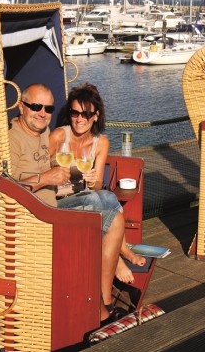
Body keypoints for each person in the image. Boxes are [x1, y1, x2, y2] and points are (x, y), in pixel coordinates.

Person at [8, 82, 126, 324]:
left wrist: (89, 178)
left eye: (48, 109)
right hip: (41, 213)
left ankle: (103, 300)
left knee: (110, 210)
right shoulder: (17, 138)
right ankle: (118, 264)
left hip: (55, 206)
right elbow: (4, 187)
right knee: (106, 201)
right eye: (36, 106)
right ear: (21, 107)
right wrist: (46, 177)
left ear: (95, 116)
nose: (43, 113)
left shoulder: (40, 132)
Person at [49, 82, 146, 284]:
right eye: (75, 113)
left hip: (84, 196)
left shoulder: (100, 142)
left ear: (96, 116)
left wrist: (93, 181)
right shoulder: (58, 136)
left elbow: (98, 184)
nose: (79, 119)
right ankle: (122, 255)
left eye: (85, 114)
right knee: (97, 198)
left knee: (107, 195)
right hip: (58, 200)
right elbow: (41, 170)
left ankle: (121, 252)